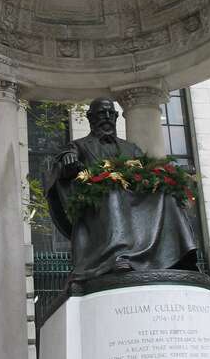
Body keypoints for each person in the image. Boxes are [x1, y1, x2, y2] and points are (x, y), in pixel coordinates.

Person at [45, 98, 197, 281]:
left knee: (167, 196)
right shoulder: (79, 146)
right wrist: (68, 160)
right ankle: (118, 255)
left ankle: (179, 256)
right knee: (112, 190)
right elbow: (63, 160)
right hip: (97, 205)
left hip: (133, 200)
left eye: (111, 114)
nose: (107, 117)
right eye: (102, 113)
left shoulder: (130, 148)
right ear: (90, 117)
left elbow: (147, 171)